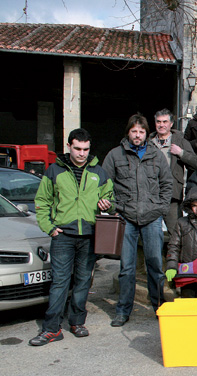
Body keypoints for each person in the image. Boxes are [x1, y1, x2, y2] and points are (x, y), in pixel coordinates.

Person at [30, 128, 114, 346]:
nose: (82, 153)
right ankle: (51, 329)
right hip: (63, 235)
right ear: (69, 147)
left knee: (83, 281)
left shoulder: (99, 171)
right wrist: (50, 228)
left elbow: (110, 198)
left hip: (89, 235)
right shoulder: (54, 171)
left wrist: (107, 204)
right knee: (59, 282)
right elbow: (42, 202)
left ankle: (77, 322)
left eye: (86, 149)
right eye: (77, 148)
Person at [103, 113, 173, 327]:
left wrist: (160, 208)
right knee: (127, 267)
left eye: (141, 131)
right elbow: (105, 185)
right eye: (134, 131)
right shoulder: (115, 155)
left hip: (151, 217)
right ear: (128, 132)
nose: (137, 135)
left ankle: (159, 307)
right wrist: (115, 208)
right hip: (126, 218)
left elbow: (167, 184)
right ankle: (123, 310)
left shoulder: (156, 155)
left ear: (146, 133)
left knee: (154, 264)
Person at [149, 108, 197, 232]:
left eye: (165, 122)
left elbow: (196, 163)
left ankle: (173, 253)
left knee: (176, 232)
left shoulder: (180, 141)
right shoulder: (148, 143)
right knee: (150, 233)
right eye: (159, 122)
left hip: (172, 195)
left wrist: (181, 153)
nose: (161, 125)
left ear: (171, 124)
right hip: (150, 195)